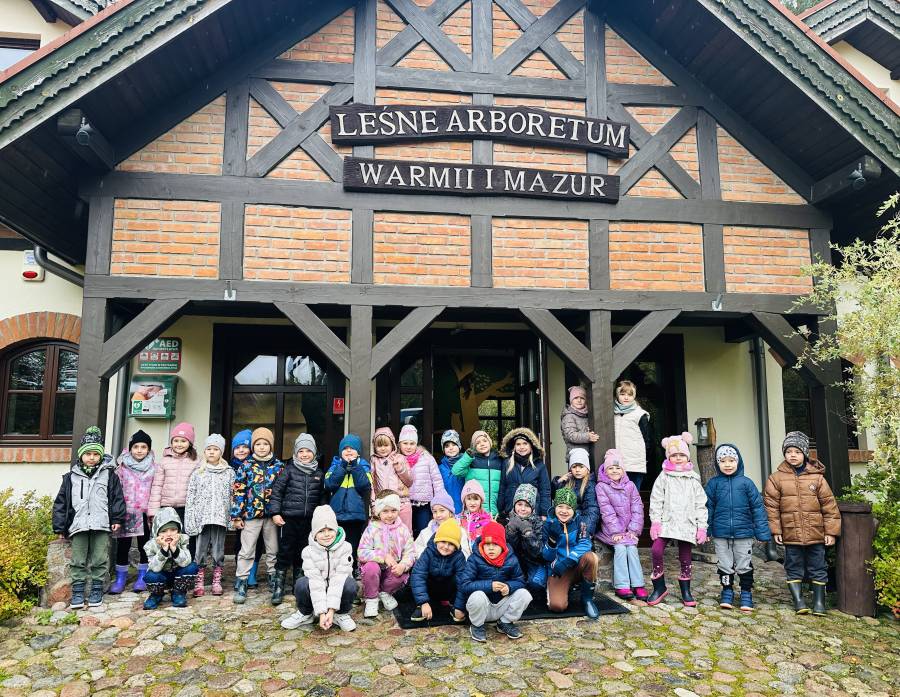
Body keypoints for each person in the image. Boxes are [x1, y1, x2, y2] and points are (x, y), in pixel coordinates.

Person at [764, 431, 841, 616]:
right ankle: (799, 601)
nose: (793, 455)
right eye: (789, 451)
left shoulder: (817, 478)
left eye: (797, 452)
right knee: (793, 566)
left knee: (818, 566)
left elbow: (829, 506)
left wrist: (831, 532)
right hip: (791, 532)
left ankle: (819, 603)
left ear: (805, 454)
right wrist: (776, 531)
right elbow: (771, 508)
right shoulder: (776, 478)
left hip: (816, 532)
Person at [53, 426, 126, 609]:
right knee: (78, 559)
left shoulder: (109, 475)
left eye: (95, 454)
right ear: (81, 455)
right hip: (78, 525)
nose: (92, 457)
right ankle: (78, 591)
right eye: (88, 454)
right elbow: (61, 503)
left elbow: (117, 498)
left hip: (101, 524)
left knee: (99, 558)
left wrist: (116, 519)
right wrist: (60, 527)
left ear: (100, 456)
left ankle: (96, 589)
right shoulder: (70, 478)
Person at [705, 443, 772, 612]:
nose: (727, 464)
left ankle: (746, 592)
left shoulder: (747, 483)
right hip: (721, 533)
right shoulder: (713, 484)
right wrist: (706, 530)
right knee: (724, 564)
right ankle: (727, 591)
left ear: (738, 461)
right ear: (717, 464)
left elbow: (758, 508)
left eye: (731, 460)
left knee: (744, 564)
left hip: (744, 533)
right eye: (723, 461)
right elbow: (707, 508)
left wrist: (762, 532)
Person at [647, 432, 708, 607]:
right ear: (668, 457)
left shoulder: (693, 479)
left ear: (687, 456)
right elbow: (656, 500)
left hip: (687, 523)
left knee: (685, 556)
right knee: (656, 550)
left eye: (682, 454)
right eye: (674, 455)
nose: (678, 458)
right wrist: (656, 522)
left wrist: (701, 527)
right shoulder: (663, 477)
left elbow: (700, 504)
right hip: (667, 521)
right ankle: (659, 587)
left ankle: (686, 590)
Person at [269, 433, 326, 605]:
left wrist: (321, 517)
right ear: (295, 453)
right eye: (301, 451)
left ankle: (298, 583)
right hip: (289, 519)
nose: (304, 454)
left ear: (314, 453)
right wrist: (275, 513)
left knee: (303, 551)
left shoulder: (318, 473)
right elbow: (277, 493)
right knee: (285, 550)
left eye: (308, 451)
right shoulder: (289, 470)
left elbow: (322, 497)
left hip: (308, 521)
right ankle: (278, 585)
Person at [281, 505, 357, 632]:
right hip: (317, 589)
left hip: (337, 589)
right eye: (321, 531)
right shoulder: (308, 552)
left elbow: (339, 579)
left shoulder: (346, 548)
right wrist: (321, 613)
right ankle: (306, 613)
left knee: (350, 584)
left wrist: (331, 611)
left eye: (330, 530)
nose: (326, 534)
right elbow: (315, 582)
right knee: (301, 583)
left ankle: (340, 614)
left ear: (336, 530)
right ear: (315, 534)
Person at [231, 427, 284, 604]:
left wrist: (280, 512)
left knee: (273, 549)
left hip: (271, 516)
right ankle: (242, 581)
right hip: (251, 515)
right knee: (246, 550)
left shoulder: (278, 466)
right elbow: (239, 491)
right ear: (253, 446)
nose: (262, 447)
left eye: (265, 444)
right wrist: (237, 515)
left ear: (271, 446)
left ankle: (273, 578)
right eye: (258, 444)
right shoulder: (246, 466)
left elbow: (282, 491)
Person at [459, 521, 532, 642]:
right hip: (482, 608)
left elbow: (520, 581)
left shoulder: (511, 559)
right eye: (487, 544)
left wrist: (509, 587)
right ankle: (477, 626)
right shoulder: (474, 559)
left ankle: (505, 622)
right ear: (482, 544)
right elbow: (465, 585)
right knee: (477, 596)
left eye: (495, 544)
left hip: (502, 606)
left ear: (503, 545)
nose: (491, 548)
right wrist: (489, 586)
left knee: (524, 594)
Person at [184, 434, 234, 597]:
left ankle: (216, 580)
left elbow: (233, 496)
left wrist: (232, 517)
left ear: (221, 452)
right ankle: (199, 580)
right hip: (202, 518)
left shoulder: (228, 473)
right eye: (209, 449)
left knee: (218, 550)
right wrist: (191, 518)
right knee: (200, 549)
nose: (212, 452)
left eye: (215, 449)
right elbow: (191, 497)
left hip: (220, 518)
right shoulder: (198, 473)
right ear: (204, 452)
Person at [539, 488, 600, 619]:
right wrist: (552, 540)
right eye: (560, 506)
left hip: (575, 564)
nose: (564, 511)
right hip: (558, 570)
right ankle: (563, 588)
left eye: (568, 508)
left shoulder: (581, 522)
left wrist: (569, 559)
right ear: (555, 506)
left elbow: (585, 543)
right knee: (557, 606)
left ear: (574, 509)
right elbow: (546, 556)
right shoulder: (547, 524)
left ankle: (587, 599)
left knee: (591, 557)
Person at [595, 448, 647, 602]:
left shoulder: (630, 485)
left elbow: (637, 508)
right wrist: (616, 531)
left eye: (618, 468)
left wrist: (633, 530)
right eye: (611, 468)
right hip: (611, 530)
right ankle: (622, 585)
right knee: (620, 548)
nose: (614, 471)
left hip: (628, 530)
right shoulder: (601, 487)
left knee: (631, 548)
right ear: (605, 470)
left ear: (623, 470)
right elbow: (607, 511)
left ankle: (638, 584)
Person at [109, 429, 155, 594]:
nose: (139, 450)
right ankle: (120, 578)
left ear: (148, 449)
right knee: (123, 546)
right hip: (126, 512)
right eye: (136, 447)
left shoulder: (154, 468)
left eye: (143, 447)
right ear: (130, 449)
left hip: (145, 512)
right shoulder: (122, 468)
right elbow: (116, 491)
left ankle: (143, 576)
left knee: (144, 545)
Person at [358, 490, 416, 618]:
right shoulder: (372, 529)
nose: (390, 515)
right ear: (378, 512)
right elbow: (361, 552)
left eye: (393, 510)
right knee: (370, 567)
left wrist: (403, 565)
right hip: (375, 569)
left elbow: (411, 552)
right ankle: (371, 598)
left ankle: (384, 592)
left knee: (402, 574)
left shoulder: (403, 529)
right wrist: (383, 556)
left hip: (391, 569)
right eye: (385, 511)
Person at [147, 422, 200, 557]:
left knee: (186, 538)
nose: (179, 444)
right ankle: (166, 565)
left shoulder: (196, 462)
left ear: (190, 443)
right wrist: (153, 511)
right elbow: (157, 486)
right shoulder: (164, 461)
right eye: (176, 441)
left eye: (183, 441)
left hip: (187, 508)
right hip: (166, 508)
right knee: (166, 538)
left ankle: (186, 565)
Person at [324, 433, 372, 565]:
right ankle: (337, 568)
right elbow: (329, 484)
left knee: (353, 544)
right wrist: (343, 466)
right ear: (340, 452)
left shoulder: (363, 466)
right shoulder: (335, 465)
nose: (349, 451)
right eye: (345, 448)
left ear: (358, 452)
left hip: (355, 514)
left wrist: (355, 466)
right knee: (337, 543)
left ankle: (352, 568)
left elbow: (364, 485)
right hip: (337, 514)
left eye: (352, 448)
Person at [409, 518, 467, 623]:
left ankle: (454, 606)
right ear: (437, 540)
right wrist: (423, 602)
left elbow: (463, 582)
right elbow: (418, 575)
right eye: (443, 542)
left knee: (460, 579)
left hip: (447, 589)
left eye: (451, 544)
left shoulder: (459, 557)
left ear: (456, 547)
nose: (446, 547)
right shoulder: (428, 552)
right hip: (430, 588)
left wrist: (460, 606)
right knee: (416, 575)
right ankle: (422, 605)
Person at [141, 507, 199, 609]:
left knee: (192, 567)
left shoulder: (184, 539)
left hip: (178, 574)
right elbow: (154, 568)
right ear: (157, 532)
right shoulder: (150, 545)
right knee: (150, 576)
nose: (168, 534)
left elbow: (186, 562)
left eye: (173, 530)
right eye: (163, 531)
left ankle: (178, 593)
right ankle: (156, 595)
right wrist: (164, 550)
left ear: (178, 530)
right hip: (161, 575)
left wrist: (174, 548)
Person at [397, 424, 446, 536]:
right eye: (405, 443)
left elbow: (437, 480)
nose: (408, 447)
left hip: (423, 503)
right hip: (403, 503)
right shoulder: (396, 460)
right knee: (404, 533)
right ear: (399, 444)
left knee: (423, 532)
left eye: (412, 443)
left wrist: (440, 500)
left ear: (416, 444)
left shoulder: (427, 458)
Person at [230, 429, 262, 586]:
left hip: (253, 511)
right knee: (240, 543)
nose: (241, 450)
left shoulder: (256, 465)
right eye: (237, 447)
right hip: (237, 511)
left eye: (244, 447)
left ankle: (252, 574)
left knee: (257, 542)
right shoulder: (230, 468)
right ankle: (241, 573)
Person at [498, 427, 551, 519]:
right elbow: (502, 487)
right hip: (510, 511)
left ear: (531, 446)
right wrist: (500, 509)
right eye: (518, 444)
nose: (522, 447)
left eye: (525, 443)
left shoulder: (539, 465)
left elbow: (545, 491)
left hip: (532, 512)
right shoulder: (507, 463)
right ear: (514, 447)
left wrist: (544, 513)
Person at [370, 427, 413, 531]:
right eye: (379, 446)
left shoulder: (400, 458)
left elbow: (409, 481)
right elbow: (372, 484)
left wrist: (400, 469)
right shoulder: (374, 461)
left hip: (401, 502)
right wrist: (373, 504)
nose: (383, 448)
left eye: (386, 445)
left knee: (404, 532)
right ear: (375, 447)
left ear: (392, 445)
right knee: (384, 534)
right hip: (383, 504)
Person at [451, 430, 503, 516]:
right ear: (474, 447)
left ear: (490, 442)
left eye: (485, 441)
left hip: (495, 511)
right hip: (476, 511)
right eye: (478, 443)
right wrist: (467, 457)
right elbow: (456, 471)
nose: (482, 444)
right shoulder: (471, 460)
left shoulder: (498, 459)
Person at [504, 483, 544, 590]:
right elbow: (508, 550)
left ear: (532, 507)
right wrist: (511, 531)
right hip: (514, 562)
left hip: (533, 562)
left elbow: (538, 553)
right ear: (514, 504)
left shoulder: (538, 523)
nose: (522, 508)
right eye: (519, 504)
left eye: (527, 505)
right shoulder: (508, 521)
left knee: (536, 583)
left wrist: (528, 533)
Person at [551, 447, 599, 536]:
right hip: (564, 520)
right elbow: (555, 498)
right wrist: (558, 482)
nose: (577, 470)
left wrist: (585, 532)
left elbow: (591, 510)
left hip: (580, 524)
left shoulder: (589, 485)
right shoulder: (567, 481)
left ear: (587, 469)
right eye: (574, 467)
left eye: (581, 467)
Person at [612, 380, 651, 491]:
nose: (626, 397)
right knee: (618, 493)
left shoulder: (640, 414)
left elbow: (647, 439)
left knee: (633, 491)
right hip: (617, 460)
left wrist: (646, 456)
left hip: (635, 460)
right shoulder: (612, 413)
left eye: (630, 395)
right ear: (617, 395)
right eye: (622, 394)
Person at [414, 490, 470, 558]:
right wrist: (429, 558)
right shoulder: (426, 532)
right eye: (435, 511)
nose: (438, 515)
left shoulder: (460, 531)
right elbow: (417, 549)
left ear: (450, 512)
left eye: (442, 510)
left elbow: (465, 554)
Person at [560, 385, 599, 459]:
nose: (579, 400)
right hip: (576, 454)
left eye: (582, 398)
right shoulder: (569, 416)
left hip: (588, 453)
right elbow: (571, 435)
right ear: (571, 400)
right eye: (575, 398)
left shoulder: (587, 414)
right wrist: (587, 436)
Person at [437, 429, 466, 514]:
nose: (451, 448)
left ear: (459, 446)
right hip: (446, 510)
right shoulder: (440, 468)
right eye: (447, 446)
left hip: (464, 509)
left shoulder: (466, 465)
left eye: (454, 444)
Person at [457, 479, 492, 543]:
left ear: (481, 501)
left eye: (476, 499)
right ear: (464, 501)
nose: (472, 503)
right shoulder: (458, 519)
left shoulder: (486, 519)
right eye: (469, 499)